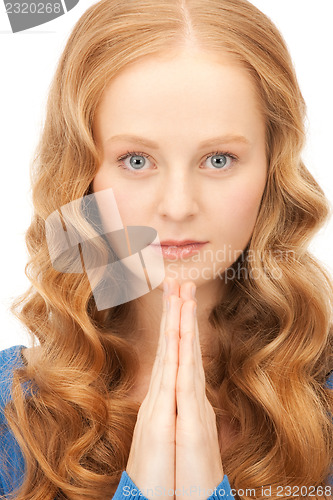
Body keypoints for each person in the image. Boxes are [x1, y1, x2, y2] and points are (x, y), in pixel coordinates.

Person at [0, 0, 332, 498]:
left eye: (219, 159)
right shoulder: (10, 410)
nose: (178, 207)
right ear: (84, 173)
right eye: (136, 159)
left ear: (273, 168)